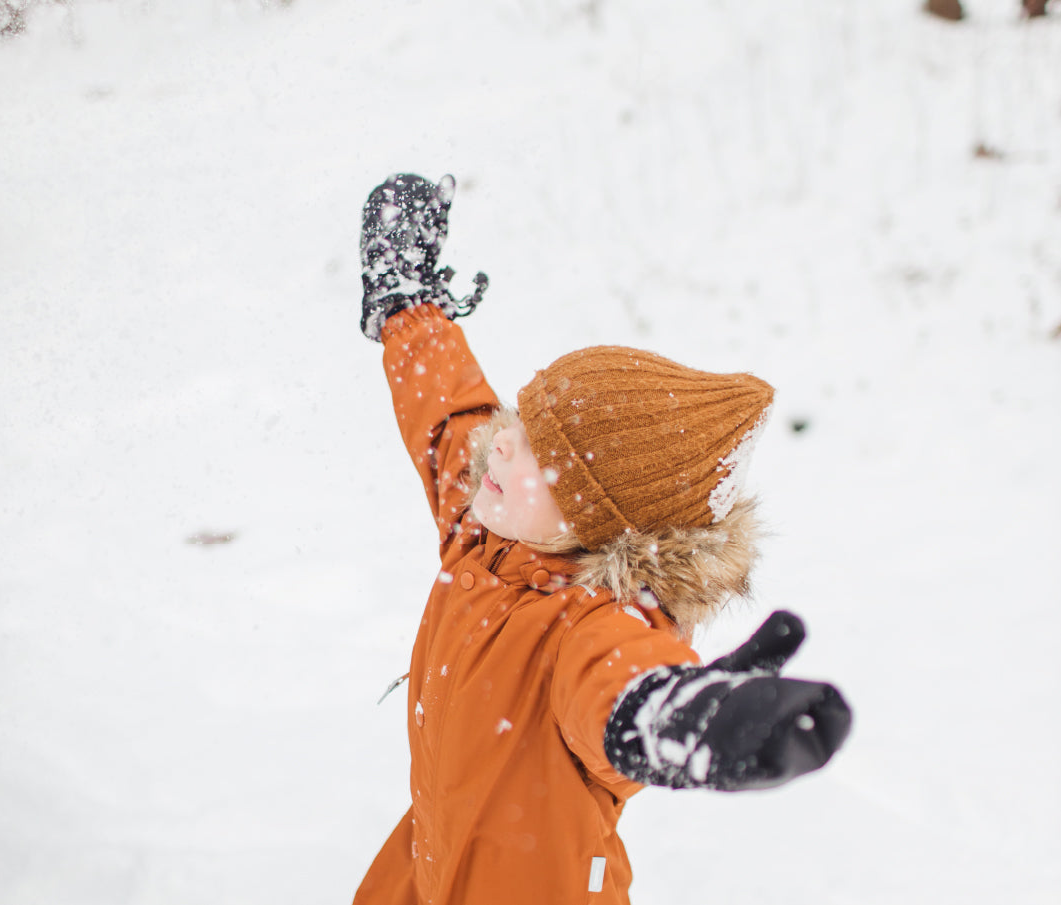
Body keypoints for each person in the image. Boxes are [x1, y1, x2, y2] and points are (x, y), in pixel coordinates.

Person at [353, 173, 851, 905]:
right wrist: (406, 301)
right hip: (424, 873)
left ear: (598, 524)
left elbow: (621, 685)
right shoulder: (486, 520)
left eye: (534, 452)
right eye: (517, 422)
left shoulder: (594, 625)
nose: (500, 447)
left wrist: (678, 713)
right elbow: (445, 404)